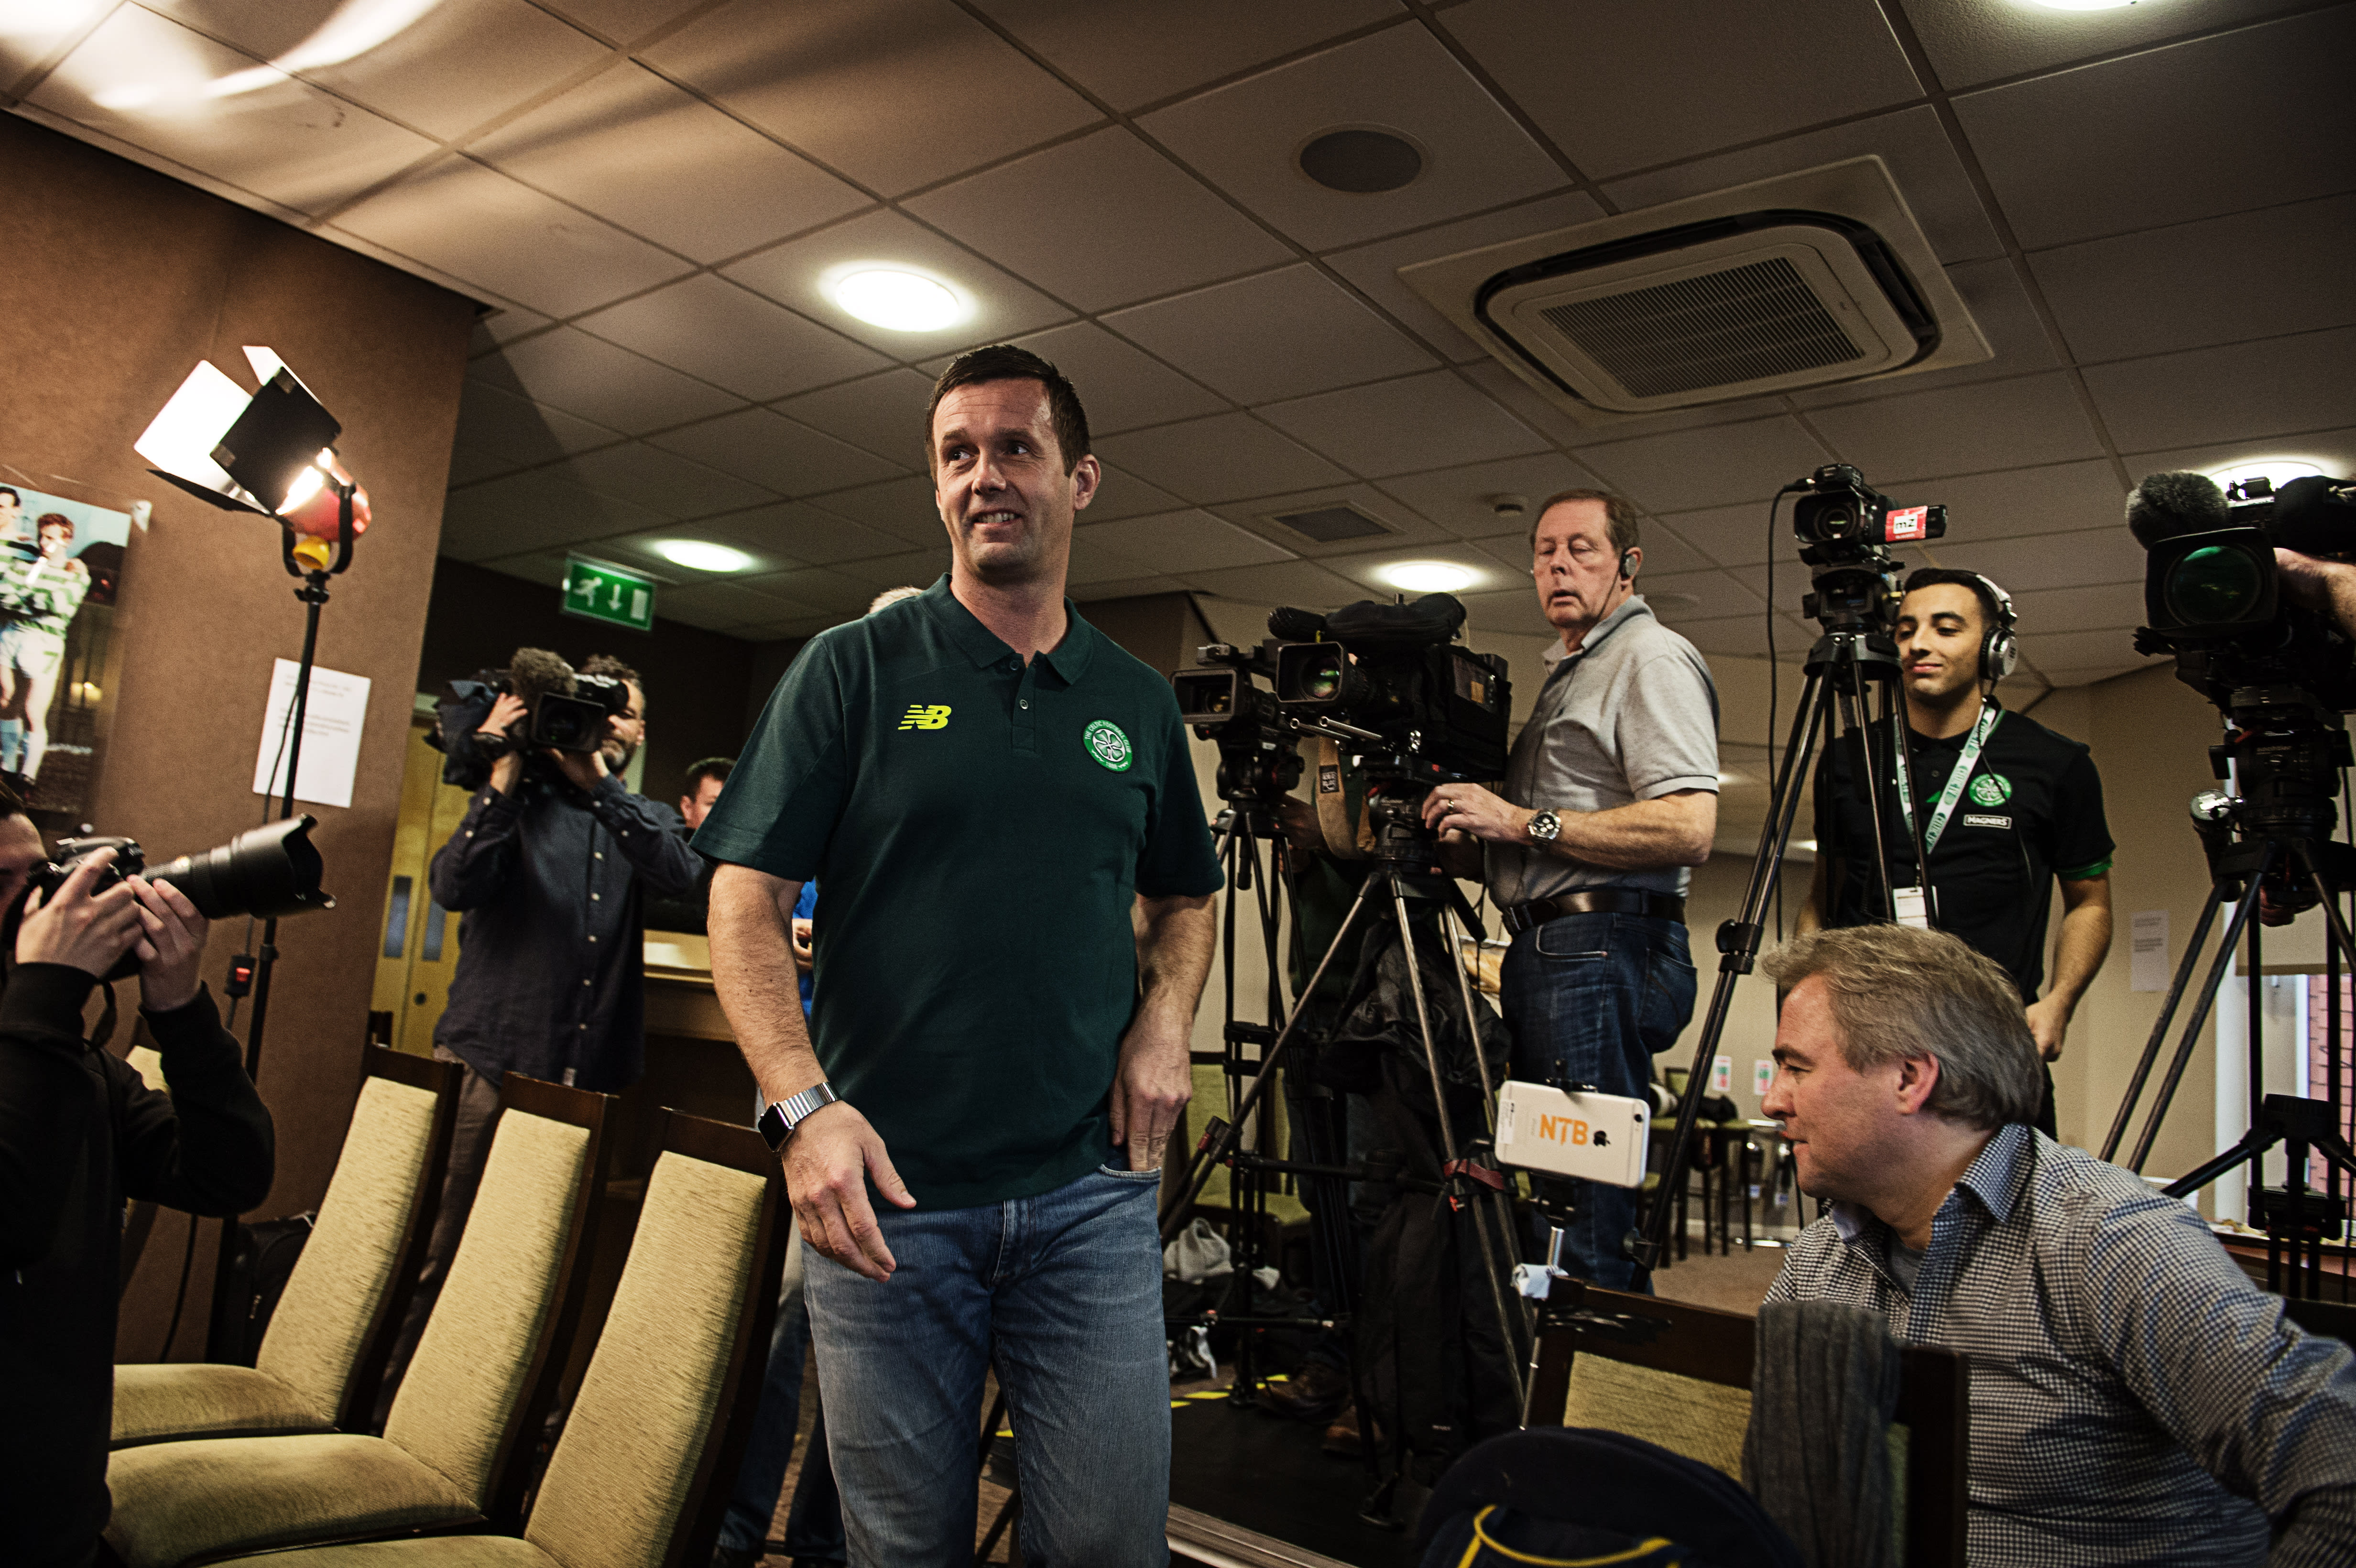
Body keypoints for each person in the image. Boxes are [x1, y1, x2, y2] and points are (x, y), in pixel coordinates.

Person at [697, 344, 1220, 1567]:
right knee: (899, 1550)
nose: (985, 475)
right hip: (891, 1202)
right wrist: (800, 1108)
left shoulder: (1136, 700)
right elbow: (744, 899)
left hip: (1089, 1196)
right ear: (936, 484)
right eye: (957, 454)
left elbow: (1186, 896)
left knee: (1108, 1546)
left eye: (1015, 448)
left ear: (1080, 479)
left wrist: (1164, 1022)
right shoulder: (853, 668)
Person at [1759, 923, 2356, 1565]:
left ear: (1909, 1078)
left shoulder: (2111, 1243)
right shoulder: (1818, 1262)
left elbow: (2343, 1477)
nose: (1771, 1100)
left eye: (1796, 1067)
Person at [372, 655, 699, 1417]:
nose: (608, 722)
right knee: (441, 1254)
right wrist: (505, 771)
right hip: (490, 1061)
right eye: (594, 707)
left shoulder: (640, 816)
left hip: (581, 1085)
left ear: (638, 732)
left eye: (623, 712)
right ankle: (378, 1418)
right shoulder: (519, 800)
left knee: (539, 1272)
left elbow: (683, 876)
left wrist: (599, 785)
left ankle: (494, 1432)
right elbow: (452, 887)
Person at [1419, 488, 1717, 1291]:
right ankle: (1565, 1352)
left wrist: (1520, 822)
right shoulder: (1572, 672)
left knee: (1583, 1214)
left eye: (1581, 549)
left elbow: (1689, 826)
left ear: (1628, 565)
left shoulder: (1648, 657)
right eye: (1545, 551)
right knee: (1558, 1200)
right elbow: (1544, 846)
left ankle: (1595, 1365)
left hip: (1599, 948)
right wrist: (1473, 847)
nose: (1558, 565)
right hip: (1562, 947)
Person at [0, 798, 275, 1568]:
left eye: (40, 877)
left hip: (56, 1521)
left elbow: (229, 1176)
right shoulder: (40, 1047)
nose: (39, 904)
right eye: (3, 883)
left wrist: (181, 1008)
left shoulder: (72, 1065)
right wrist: (44, 993)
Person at [1800, 568, 2112, 1138]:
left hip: (1991, 1044)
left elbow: (2088, 903)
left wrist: (2060, 1001)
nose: (1918, 644)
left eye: (1945, 629)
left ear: (1994, 648)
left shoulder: (2054, 763)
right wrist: (1804, 1004)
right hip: (1865, 1042)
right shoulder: (1847, 757)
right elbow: (1821, 900)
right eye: (1905, 630)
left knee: (1999, 1197)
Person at [0, 512, 93, 801]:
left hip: (45, 642)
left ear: (67, 540)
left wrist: (27, 597)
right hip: (11, 635)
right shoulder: (22, 566)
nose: (44, 543)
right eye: (42, 536)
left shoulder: (76, 574)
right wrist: (33, 599)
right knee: (6, 701)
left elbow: (58, 604)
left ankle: (28, 775)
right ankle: (7, 768)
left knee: (33, 711)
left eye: (52, 538)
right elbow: (5, 596)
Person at [646, 756, 734, 936]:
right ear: (687, 808)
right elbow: (648, 910)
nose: (724, 815)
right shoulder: (665, 851)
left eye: (733, 806)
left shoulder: (746, 862)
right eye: (713, 804)